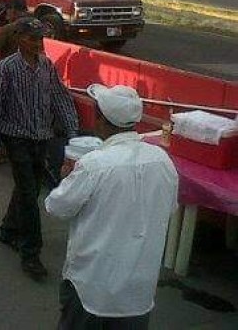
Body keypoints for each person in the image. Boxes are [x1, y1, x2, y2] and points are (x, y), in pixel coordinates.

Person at [46, 84, 178, 329]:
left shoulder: (94, 164)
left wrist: (66, 177)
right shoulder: (163, 161)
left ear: (100, 120)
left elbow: (56, 206)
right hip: (138, 291)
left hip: (91, 286)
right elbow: (168, 208)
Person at [0, 17, 79, 280]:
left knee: (30, 189)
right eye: (32, 39)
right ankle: (31, 253)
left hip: (42, 138)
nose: (37, 44)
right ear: (19, 39)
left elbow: (60, 98)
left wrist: (73, 133)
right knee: (29, 195)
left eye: (40, 39)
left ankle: (7, 231)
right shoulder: (7, 68)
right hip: (17, 138)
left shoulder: (47, 66)